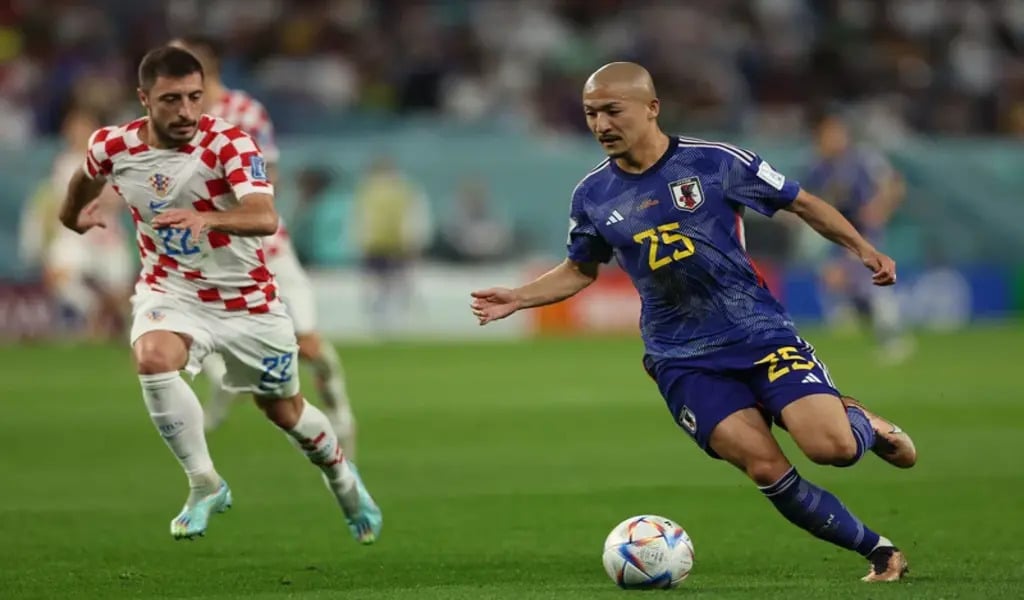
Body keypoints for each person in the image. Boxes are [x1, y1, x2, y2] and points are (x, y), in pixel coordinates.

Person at [471, 62, 915, 583]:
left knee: (832, 449)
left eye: (613, 110)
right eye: (592, 113)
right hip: (681, 358)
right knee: (766, 468)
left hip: (759, 333)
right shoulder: (592, 196)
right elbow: (579, 269)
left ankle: (863, 423)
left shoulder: (715, 163)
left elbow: (802, 203)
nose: (601, 124)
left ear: (651, 108)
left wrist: (862, 249)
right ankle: (882, 553)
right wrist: (519, 297)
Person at [57, 46, 381, 543]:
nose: (186, 111)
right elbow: (85, 176)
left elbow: (263, 217)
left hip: (247, 302)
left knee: (284, 412)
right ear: (144, 99)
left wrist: (207, 218)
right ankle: (204, 482)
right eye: (171, 100)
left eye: (194, 96)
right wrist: (71, 215)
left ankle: (340, 474)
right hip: (173, 289)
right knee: (152, 357)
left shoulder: (230, 144)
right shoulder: (114, 145)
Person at [168, 36, 357, 458]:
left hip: (265, 248)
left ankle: (341, 411)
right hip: (209, 252)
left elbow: (268, 179)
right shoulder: (171, 119)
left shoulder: (245, 113)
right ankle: (222, 386)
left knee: (307, 346)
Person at [803, 111, 913, 364]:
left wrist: (879, 208)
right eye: (825, 135)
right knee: (839, 280)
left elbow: (894, 184)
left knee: (866, 281)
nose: (831, 139)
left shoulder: (863, 159)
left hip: (865, 230)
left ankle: (893, 337)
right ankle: (876, 330)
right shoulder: (819, 166)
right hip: (838, 231)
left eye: (834, 133)